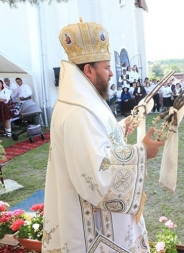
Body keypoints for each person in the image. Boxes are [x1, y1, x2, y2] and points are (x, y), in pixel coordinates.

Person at [44, 20, 165, 253]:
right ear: (88, 70)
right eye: (107, 67)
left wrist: (120, 127)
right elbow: (94, 172)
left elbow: (93, 141)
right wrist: (142, 152)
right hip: (92, 229)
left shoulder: (85, 99)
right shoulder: (77, 111)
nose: (111, 73)